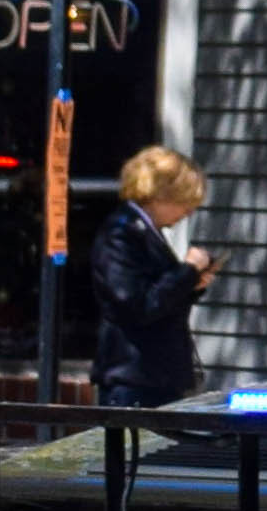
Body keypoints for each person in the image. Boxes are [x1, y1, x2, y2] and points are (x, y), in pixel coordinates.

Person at [90, 146, 223, 406]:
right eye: (185, 201)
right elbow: (137, 305)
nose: (189, 211)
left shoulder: (147, 233)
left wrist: (192, 284)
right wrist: (186, 271)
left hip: (156, 376)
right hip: (133, 379)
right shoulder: (121, 235)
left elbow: (157, 294)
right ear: (161, 193)